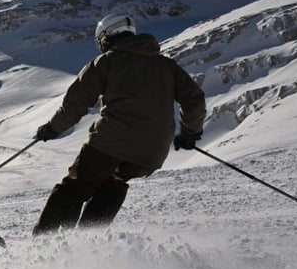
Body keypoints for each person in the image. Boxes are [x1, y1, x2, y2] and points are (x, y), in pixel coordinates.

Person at [31, 14, 206, 236]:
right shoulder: (167, 65)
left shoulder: (107, 61)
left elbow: (76, 102)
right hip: (152, 153)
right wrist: (190, 132)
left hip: (110, 142)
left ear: (106, 37)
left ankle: (43, 244)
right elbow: (195, 100)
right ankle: (85, 245)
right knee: (112, 183)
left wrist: (52, 128)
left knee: (75, 187)